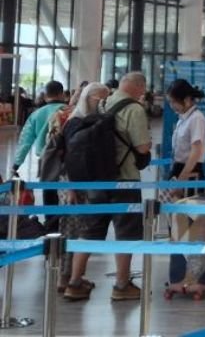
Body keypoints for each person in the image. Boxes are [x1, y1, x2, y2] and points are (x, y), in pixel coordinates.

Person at [63, 73, 150, 302]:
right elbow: (142, 147)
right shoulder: (134, 109)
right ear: (139, 87)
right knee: (126, 233)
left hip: (97, 180)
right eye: (143, 88)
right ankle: (122, 285)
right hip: (125, 181)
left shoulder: (102, 104)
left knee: (90, 232)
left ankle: (74, 283)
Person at [12, 79, 67, 180]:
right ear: (62, 95)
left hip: (44, 158)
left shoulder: (35, 115)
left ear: (45, 96)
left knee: (47, 186)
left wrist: (16, 165)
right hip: (66, 157)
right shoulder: (69, 111)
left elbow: (25, 142)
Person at [166, 79, 205, 197]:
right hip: (178, 169)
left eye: (174, 102)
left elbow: (195, 152)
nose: (171, 106)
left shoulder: (196, 119)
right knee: (172, 207)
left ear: (186, 99)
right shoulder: (183, 118)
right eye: (170, 102)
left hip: (190, 173)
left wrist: (181, 181)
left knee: (188, 208)